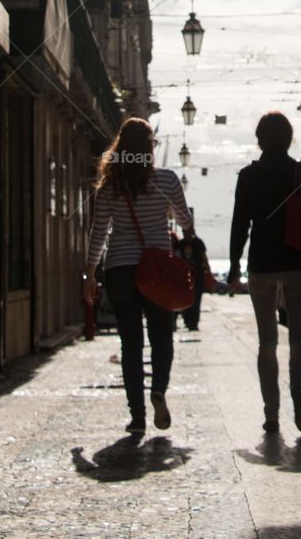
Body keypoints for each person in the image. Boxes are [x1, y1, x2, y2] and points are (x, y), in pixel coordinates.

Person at [84, 117, 193, 434]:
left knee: (130, 344)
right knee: (161, 337)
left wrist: (89, 274)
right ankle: (158, 388)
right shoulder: (168, 180)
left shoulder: (109, 186)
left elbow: (99, 233)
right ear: (149, 148)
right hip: (157, 271)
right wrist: (174, 220)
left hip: (119, 269)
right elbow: (185, 221)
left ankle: (137, 418)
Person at [227, 110, 301, 435]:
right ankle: (298, 389)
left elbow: (240, 225)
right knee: (300, 337)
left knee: (267, 341)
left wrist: (233, 266)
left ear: (259, 140)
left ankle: (271, 414)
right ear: (289, 139)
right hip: (298, 262)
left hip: (262, 265)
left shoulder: (248, 176)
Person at [178, 230, 211, 330]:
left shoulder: (198, 243)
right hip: (185, 276)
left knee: (196, 300)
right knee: (188, 299)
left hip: (197, 275)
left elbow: (204, 258)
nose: (185, 233)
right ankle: (188, 321)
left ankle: (193, 323)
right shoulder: (181, 243)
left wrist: (208, 272)